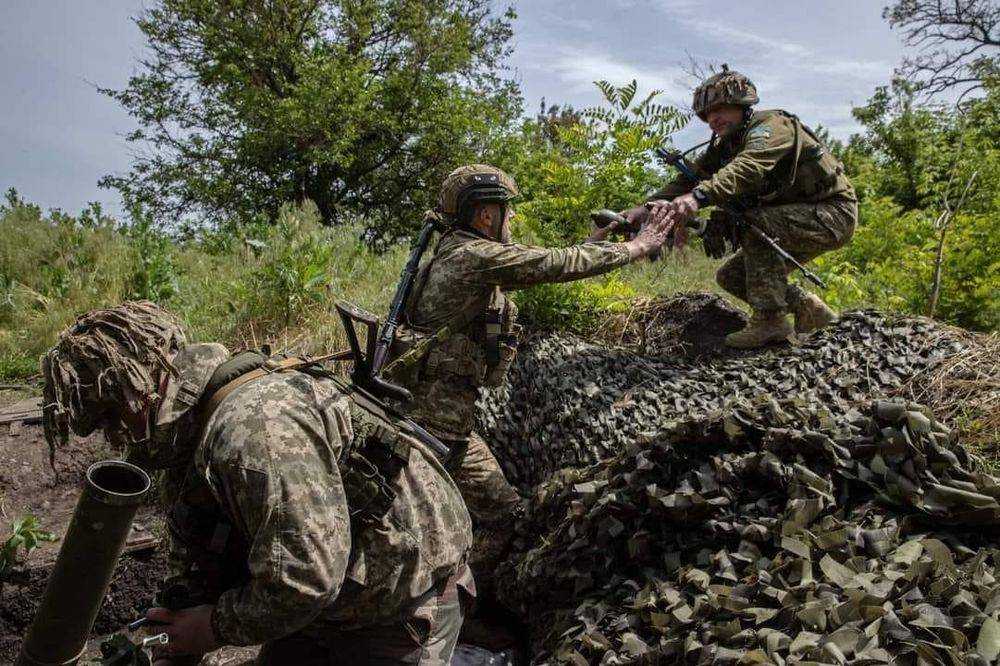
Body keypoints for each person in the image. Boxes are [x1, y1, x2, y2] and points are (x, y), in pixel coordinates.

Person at [40, 301, 474, 665]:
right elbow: (199, 545)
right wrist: (179, 622)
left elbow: (306, 579)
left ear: (143, 387)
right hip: (330, 596)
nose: (114, 438)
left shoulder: (253, 430)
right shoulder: (189, 430)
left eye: (113, 417)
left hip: (401, 598)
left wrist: (210, 628)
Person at [383, 164, 672, 534]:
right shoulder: (474, 256)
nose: (512, 218)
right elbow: (550, 264)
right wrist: (637, 247)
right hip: (429, 430)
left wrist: (595, 244)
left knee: (506, 514)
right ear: (487, 214)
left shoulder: (461, 252)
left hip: (446, 425)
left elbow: (541, 266)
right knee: (422, 529)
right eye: (508, 210)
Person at [622, 66, 857, 348]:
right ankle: (807, 306)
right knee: (732, 277)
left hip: (833, 214)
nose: (713, 120)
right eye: (707, 114)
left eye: (720, 109)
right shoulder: (726, 145)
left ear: (742, 105)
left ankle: (771, 320)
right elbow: (687, 180)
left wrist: (699, 197)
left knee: (756, 223)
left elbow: (748, 167)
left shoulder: (772, 126)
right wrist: (643, 209)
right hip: (798, 218)